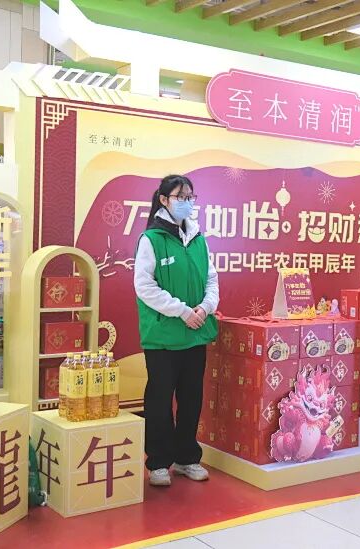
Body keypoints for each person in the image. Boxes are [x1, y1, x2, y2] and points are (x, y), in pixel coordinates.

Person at [134, 174, 219, 487]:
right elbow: (145, 286)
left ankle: (187, 458)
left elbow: (212, 280)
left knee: (191, 398)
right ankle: (158, 462)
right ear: (163, 200)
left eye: (190, 197)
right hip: (163, 337)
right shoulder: (151, 239)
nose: (186, 202)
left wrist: (204, 308)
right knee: (159, 400)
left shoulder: (198, 238)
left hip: (196, 333)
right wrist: (183, 312)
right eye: (179, 197)